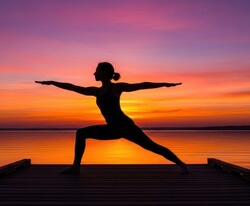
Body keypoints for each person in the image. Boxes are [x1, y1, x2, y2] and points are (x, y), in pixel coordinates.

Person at [35, 62, 189, 174]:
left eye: (96, 70)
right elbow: (74, 88)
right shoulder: (96, 91)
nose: (94, 73)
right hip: (112, 128)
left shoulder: (116, 87)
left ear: (104, 72)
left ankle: (182, 165)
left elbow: (142, 85)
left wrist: (165, 84)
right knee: (81, 133)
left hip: (126, 126)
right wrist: (53, 83)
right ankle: (76, 167)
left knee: (152, 147)